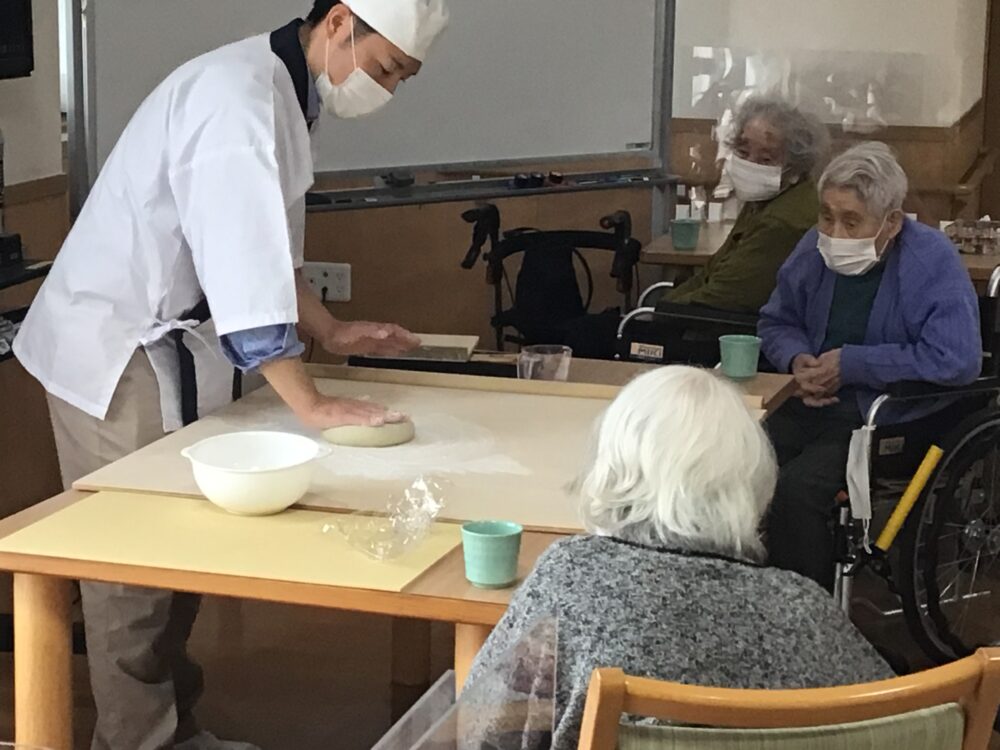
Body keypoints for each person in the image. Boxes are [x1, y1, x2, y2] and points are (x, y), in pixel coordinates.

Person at [13, 1, 448, 748]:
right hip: (115, 352)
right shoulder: (236, 97)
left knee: (179, 560)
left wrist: (331, 329)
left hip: (178, 346)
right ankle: (135, 742)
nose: (386, 90)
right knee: (131, 577)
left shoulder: (283, 90)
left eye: (402, 79)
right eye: (385, 69)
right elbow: (244, 268)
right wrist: (309, 405)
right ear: (340, 21)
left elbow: (269, 249)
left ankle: (176, 731)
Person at [462, 367, 892, 750]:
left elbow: (479, 729)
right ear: (753, 482)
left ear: (612, 467)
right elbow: (903, 722)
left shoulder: (570, 576)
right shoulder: (804, 608)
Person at [759, 142, 981, 591]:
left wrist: (854, 364)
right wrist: (795, 358)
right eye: (826, 216)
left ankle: (805, 618)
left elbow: (956, 359)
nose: (834, 232)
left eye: (851, 221)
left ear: (892, 222)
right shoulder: (813, 248)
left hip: (884, 416)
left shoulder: (929, 260)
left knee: (799, 490)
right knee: (734, 463)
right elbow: (776, 319)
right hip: (808, 402)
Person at [565, 96, 827, 363]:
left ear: (795, 168)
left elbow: (725, 297)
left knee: (580, 336)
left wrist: (659, 311)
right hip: (700, 321)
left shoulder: (782, 223)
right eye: (744, 152)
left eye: (766, 158)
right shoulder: (768, 201)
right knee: (587, 328)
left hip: (724, 337)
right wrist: (662, 305)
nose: (749, 163)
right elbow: (712, 273)